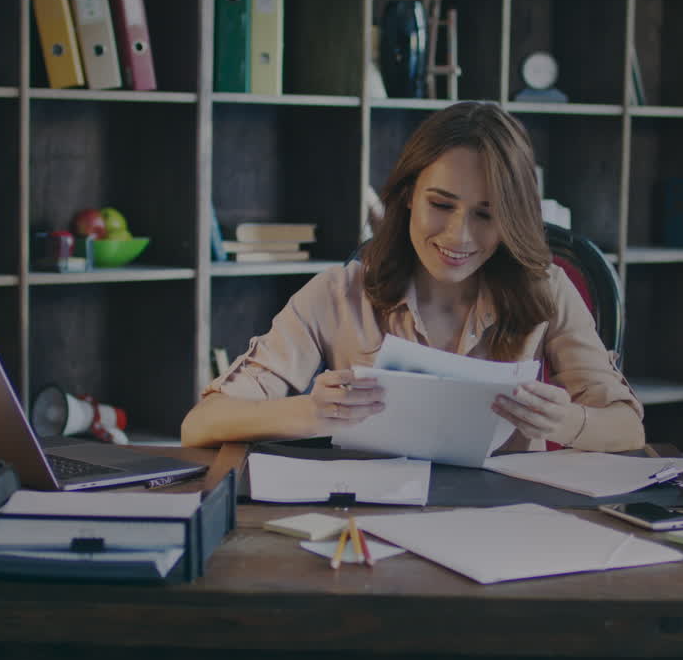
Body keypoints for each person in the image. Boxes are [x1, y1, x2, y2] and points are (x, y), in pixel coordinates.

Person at [181, 101, 644, 453]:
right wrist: (309, 411)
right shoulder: (336, 293)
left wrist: (564, 423)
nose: (458, 235)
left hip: (505, 527)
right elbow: (201, 424)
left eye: (487, 214)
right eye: (440, 205)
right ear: (406, 197)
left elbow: (629, 428)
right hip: (370, 525)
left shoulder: (548, 291)